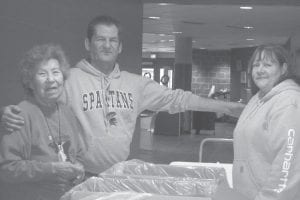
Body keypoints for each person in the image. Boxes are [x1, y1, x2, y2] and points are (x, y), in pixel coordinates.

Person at [1, 15, 244, 175]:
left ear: (119, 47)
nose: (107, 45)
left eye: (112, 40)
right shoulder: (70, 79)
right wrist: (9, 113)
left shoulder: (135, 84)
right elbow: (38, 103)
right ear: (88, 44)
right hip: (78, 176)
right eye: (100, 40)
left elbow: (178, 98)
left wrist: (224, 108)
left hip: (118, 174)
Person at [0, 44, 85, 200]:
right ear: (30, 82)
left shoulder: (67, 112)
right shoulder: (19, 115)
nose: (51, 80)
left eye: (55, 72)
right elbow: (7, 169)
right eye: (42, 74)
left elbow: (74, 155)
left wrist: (77, 168)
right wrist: (54, 169)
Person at [232, 44, 300, 200]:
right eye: (256, 65)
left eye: (268, 65)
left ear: (284, 69)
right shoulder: (258, 98)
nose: (260, 70)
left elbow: (289, 162)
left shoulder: (289, 102)